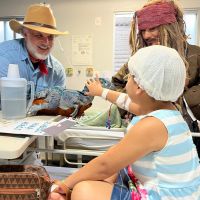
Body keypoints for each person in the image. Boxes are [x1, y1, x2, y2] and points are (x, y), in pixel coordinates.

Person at [48, 45, 200, 200]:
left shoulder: (152, 125)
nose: (127, 79)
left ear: (140, 86)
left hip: (164, 196)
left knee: (83, 190)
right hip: (179, 191)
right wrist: (101, 92)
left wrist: (65, 184)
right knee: (107, 173)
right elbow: (126, 102)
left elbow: (104, 165)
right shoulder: (169, 111)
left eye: (131, 76)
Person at [112, 0, 200, 124]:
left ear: (170, 28)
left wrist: (183, 100)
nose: (146, 35)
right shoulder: (140, 58)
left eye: (153, 28)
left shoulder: (196, 55)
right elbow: (116, 83)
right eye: (143, 30)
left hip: (187, 133)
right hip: (146, 128)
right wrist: (137, 105)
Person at [0, 3, 68, 165]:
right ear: (25, 33)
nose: (46, 42)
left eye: (50, 37)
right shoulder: (4, 57)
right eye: (39, 35)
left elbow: (58, 107)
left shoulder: (56, 71)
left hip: (29, 140)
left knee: (33, 177)